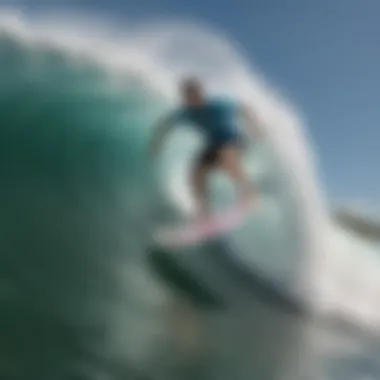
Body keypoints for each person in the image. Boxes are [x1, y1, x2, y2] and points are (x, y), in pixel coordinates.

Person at [149, 77, 260, 221]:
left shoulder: (219, 104)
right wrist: (157, 143)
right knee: (196, 173)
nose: (192, 99)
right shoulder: (187, 113)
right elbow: (167, 124)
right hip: (214, 145)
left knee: (226, 155)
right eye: (187, 96)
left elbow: (244, 107)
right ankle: (204, 212)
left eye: (194, 94)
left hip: (235, 141)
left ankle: (250, 193)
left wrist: (256, 125)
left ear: (201, 93)